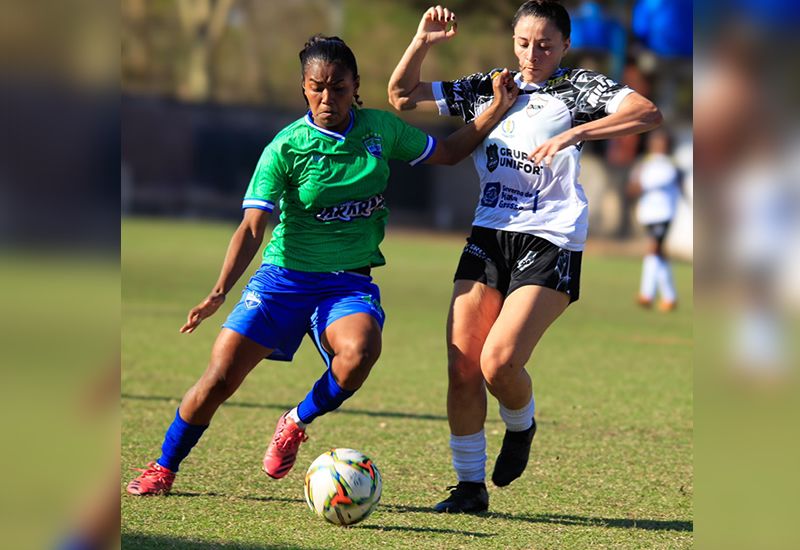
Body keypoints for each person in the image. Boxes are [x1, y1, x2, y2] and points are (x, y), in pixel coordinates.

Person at [126, 34, 518, 496]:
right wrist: (219, 290)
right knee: (219, 378)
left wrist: (496, 108)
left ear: (355, 85)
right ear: (304, 87)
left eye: (337, 87)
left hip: (348, 282)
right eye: (317, 87)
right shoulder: (285, 148)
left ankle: (295, 420)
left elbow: (449, 153)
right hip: (284, 278)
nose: (327, 97)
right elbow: (253, 226)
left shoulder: (380, 130)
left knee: (359, 354)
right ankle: (164, 466)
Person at [388, 1, 662, 513]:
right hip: (489, 234)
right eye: (523, 42)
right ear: (512, 42)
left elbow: (646, 112)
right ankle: (469, 488)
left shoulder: (579, 88)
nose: (532, 53)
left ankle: (522, 423)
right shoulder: (490, 87)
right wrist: (421, 42)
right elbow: (401, 96)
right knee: (462, 364)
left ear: (564, 45)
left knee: (498, 363)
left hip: (551, 238)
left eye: (545, 44)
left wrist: (578, 131)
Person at [626, 128, 682, 311]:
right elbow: (633, 187)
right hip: (647, 213)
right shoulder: (644, 163)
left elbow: (648, 184)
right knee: (659, 253)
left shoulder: (671, 165)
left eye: (662, 142)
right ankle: (670, 296)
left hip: (664, 213)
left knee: (653, 249)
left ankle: (646, 294)